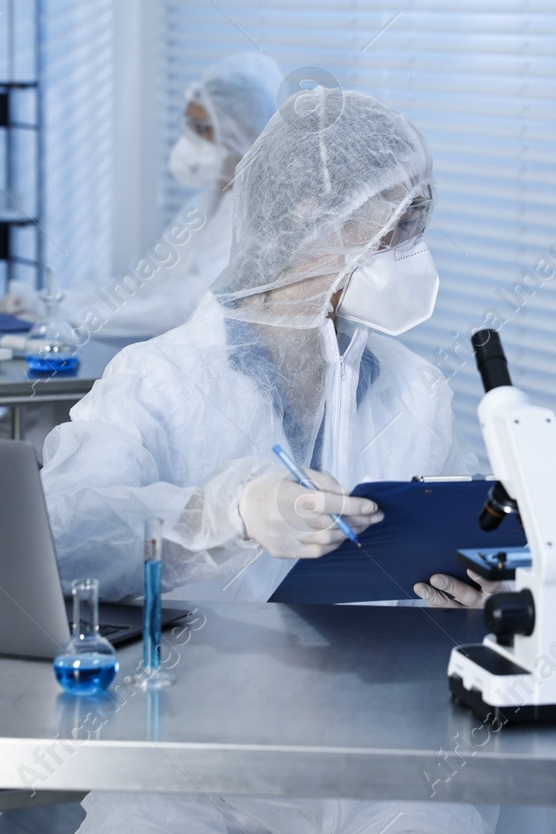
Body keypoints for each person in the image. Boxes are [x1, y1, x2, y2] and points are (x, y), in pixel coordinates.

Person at [41, 86, 495, 834]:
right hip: (185, 759)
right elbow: (63, 534)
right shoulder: (162, 378)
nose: (412, 249)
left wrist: (480, 596)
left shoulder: (416, 390)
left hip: (375, 758)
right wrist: (225, 510)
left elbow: (468, 532)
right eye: (391, 224)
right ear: (302, 221)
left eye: (418, 220)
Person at [6, 51, 286, 339]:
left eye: (203, 129)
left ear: (244, 134)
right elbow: (140, 283)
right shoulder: (207, 203)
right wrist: (45, 302)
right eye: (189, 125)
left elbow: (185, 304)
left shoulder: (258, 217)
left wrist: (66, 318)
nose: (190, 138)